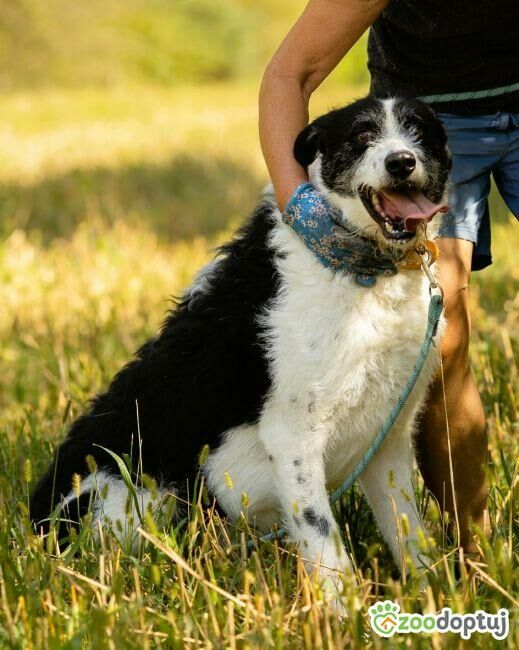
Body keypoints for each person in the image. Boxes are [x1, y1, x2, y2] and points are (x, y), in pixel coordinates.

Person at [259, 0, 519, 553]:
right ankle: (475, 552)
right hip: (429, 124)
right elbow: (291, 73)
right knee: (439, 338)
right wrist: (296, 202)